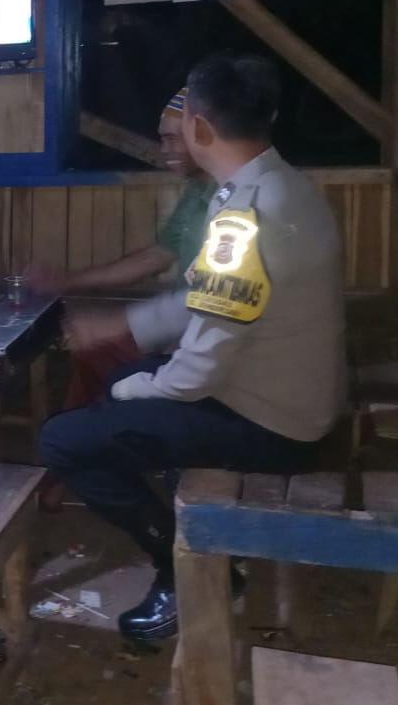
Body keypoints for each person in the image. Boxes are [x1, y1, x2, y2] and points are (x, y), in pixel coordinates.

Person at [38, 53, 346, 643]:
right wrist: (123, 331)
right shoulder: (285, 187)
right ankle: (187, 512)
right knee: (119, 382)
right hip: (291, 399)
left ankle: (186, 571)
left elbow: (195, 373)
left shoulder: (242, 218)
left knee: (64, 438)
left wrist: (136, 383)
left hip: (273, 425)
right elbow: (216, 300)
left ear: (199, 127)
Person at [29, 89, 216, 409]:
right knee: (94, 354)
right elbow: (157, 256)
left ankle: (89, 428)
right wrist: (68, 280)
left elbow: (214, 302)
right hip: (184, 330)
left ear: (202, 134)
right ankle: (82, 428)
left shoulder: (235, 201)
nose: (165, 150)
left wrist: (116, 324)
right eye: (162, 139)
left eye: (173, 139)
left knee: (102, 352)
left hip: (205, 343)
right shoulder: (197, 191)